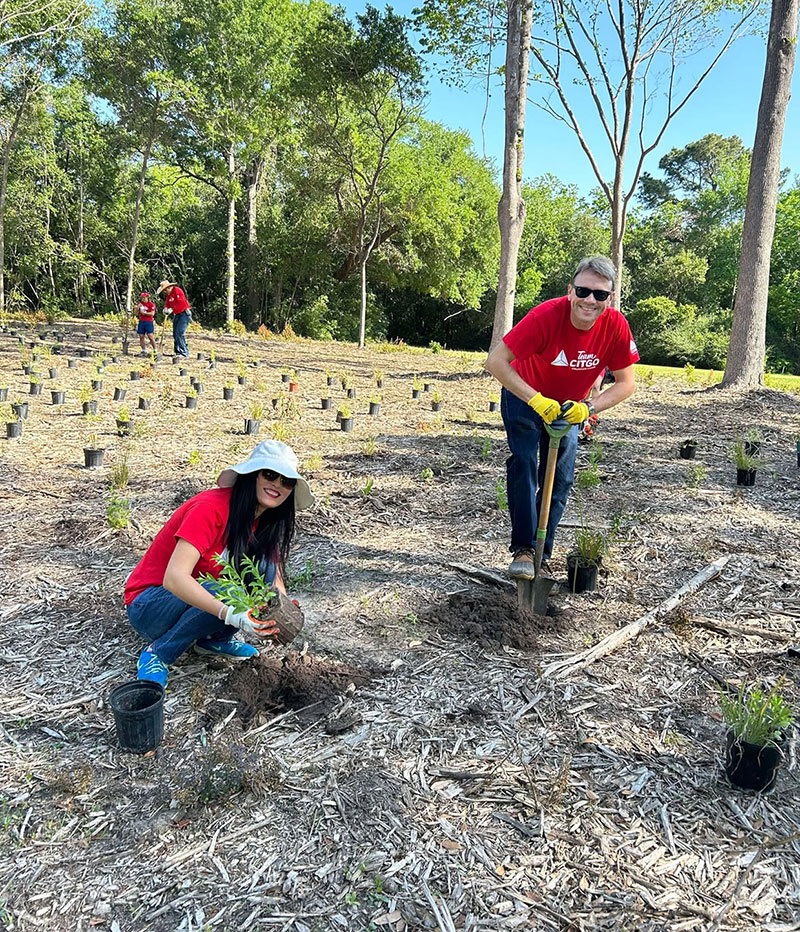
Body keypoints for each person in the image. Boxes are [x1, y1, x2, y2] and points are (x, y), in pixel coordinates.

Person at [484, 256, 639, 580]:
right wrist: (536, 399)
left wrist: (589, 407)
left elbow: (627, 383)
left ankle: (542, 553)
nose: (590, 300)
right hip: (525, 394)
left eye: (599, 294)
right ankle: (524, 550)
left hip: (570, 406)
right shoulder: (545, 316)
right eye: (583, 291)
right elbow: (496, 362)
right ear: (571, 291)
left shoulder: (615, 327)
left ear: (610, 298)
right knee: (525, 461)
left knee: (562, 477)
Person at [124, 441, 315, 687]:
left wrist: (280, 605)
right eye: (269, 474)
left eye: (286, 481)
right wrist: (229, 613)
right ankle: (158, 653)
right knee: (227, 591)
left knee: (259, 572)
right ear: (252, 475)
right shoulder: (210, 508)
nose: (277, 484)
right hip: (150, 606)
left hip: (197, 596)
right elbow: (174, 578)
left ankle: (214, 639)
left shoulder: (264, 520)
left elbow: (272, 569)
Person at [156, 279, 192, 358]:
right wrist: (165, 308)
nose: (165, 292)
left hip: (184, 314)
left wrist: (172, 309)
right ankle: (177, 351)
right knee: (175, 333)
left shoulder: (177, 290)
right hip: (177, 314)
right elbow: (167, 303)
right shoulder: (169, 295)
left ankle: (184, 352)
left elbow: (181, 302)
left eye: (165, 290)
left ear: (168, 288)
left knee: (180, 333)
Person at [136, 292, 157, 356]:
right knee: (141, 336)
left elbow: (152, 313)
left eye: (144, 297)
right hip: (141, 321)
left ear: (147, 297)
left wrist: (145, 313)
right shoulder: (140, 304)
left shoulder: (151, 304)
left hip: (149, 321)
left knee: (150, 335)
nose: (143, 299)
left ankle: (155, 349)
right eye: (142, 297)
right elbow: (136, 312)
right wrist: (137, 308)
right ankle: (143, 350)